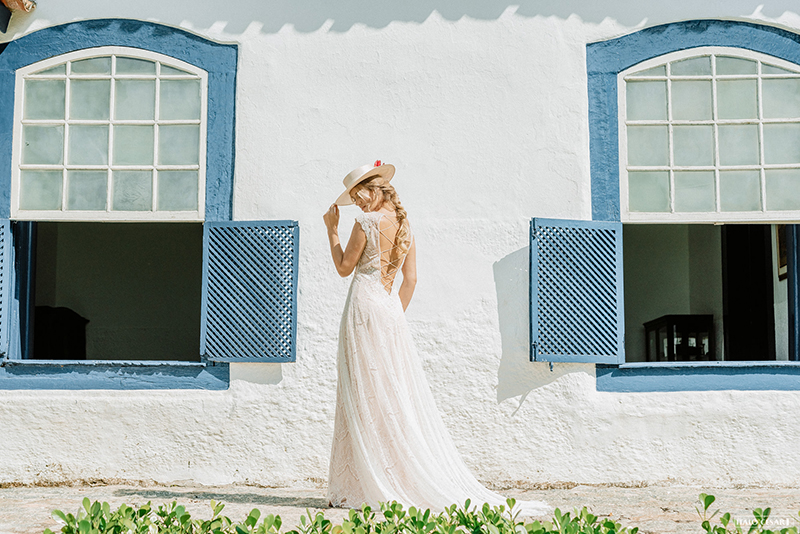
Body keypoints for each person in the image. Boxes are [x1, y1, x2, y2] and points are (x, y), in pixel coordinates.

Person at [322, 161, 549, 515]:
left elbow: (342, 268)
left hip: (364, 308)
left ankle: (363, 484)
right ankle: (378, 478)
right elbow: (410, 282)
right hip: (389, 311)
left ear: (372, 190)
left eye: (358, 195)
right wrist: (394, 315)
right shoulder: (405, 227)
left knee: (362, 390)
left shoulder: (364, 223)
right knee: (388, 392)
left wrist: (332, 230)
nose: (357, 203)